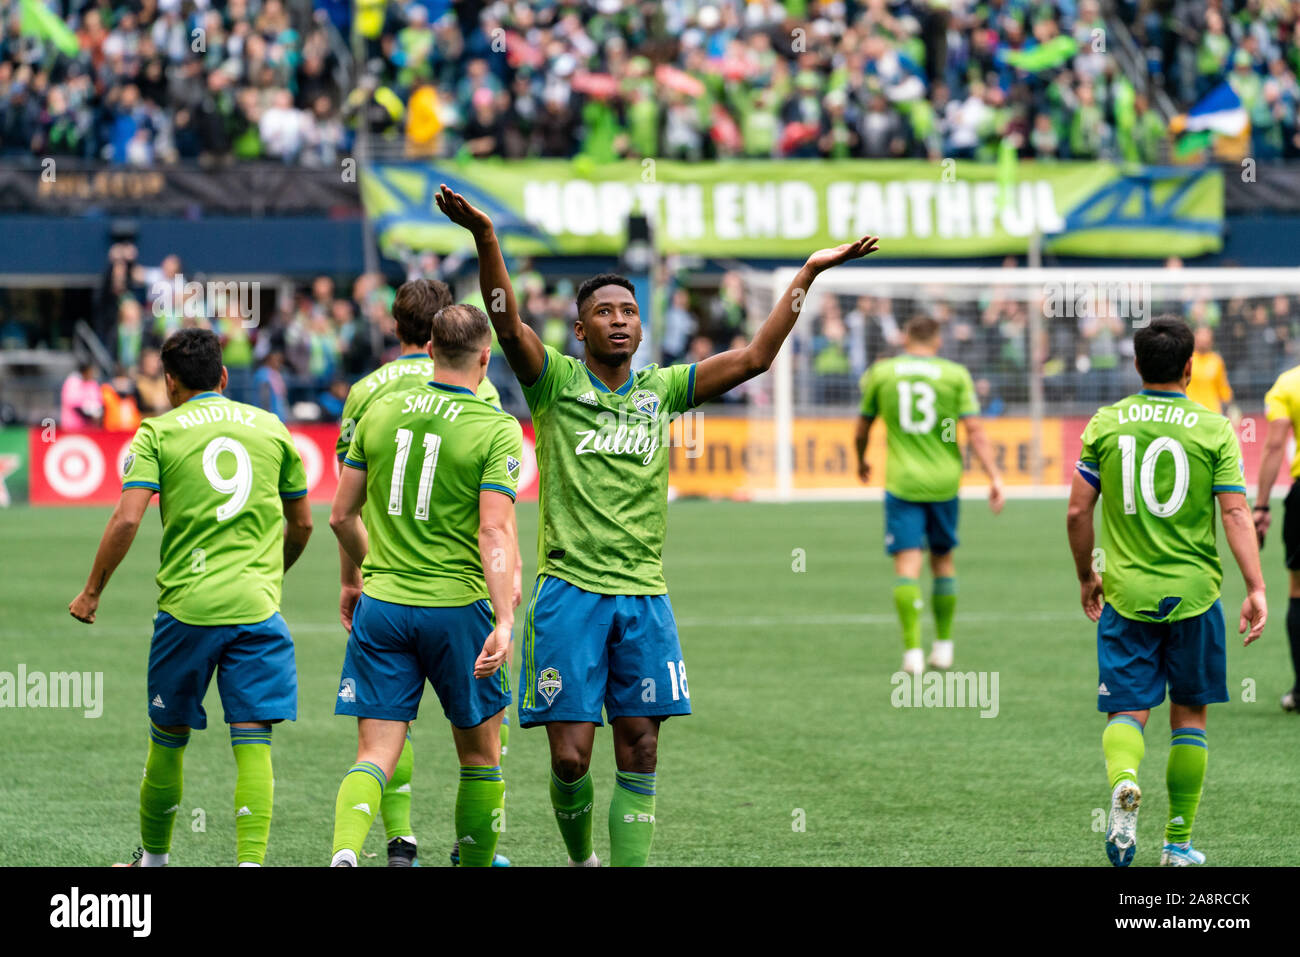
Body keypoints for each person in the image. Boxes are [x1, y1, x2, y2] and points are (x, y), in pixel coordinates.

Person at [437, 181, 879, 866]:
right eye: (604, 313)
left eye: (629, 311)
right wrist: (486, 237)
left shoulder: (662, 391)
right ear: (580, 330)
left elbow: (757, 356)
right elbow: (505, 323)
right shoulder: (553, 382)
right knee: (571, 757)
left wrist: (808, 275)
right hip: (569, 595)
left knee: (640, 744)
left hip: (644, 595)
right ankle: (582, 855)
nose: (619, 320)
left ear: (641, 327)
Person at [69, 328, 313, 866]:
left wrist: (91, 592)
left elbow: (128, 516)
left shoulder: (157, 434)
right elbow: (302, 525)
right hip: (257, 609)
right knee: (253, 742)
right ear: (224, 377)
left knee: (167, 739)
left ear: (170, 383)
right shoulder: (271, 428)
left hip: (187, 613)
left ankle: (153, 865)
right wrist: (270, 576)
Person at [328, 303, 522, 868]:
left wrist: (380, 567)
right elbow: (493, 528)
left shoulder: (380, 411)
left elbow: (341, 516)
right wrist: (505, 619)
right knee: (481, 757)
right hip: (458, 611)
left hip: (384, 607)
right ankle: (476, 863)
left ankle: (344, 852)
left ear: (429, 350)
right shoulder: (496, 427)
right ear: (485, 359)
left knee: (374, 754)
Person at [1066, 317, 1266, 867]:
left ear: (1135, 365)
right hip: (1196, 595)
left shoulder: (1106, 424)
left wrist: (1087, 575)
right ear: (1190, 367)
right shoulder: (1215, 429)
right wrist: (1255, 586)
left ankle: (1126, 782)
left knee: (1128, 711)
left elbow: (1078, 510)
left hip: (1128, 595)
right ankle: (1177, 845)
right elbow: (1235, 512)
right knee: (1190, 717)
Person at [854, 315, 1005, 675]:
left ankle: (912, 654)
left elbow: (862, 426)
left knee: (907, 566)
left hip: (902, 483)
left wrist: (861, 459)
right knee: (943, 562)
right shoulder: (955, 375)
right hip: (944, 484)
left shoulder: (883, 373)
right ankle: (944, 647)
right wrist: (994, 475)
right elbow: (975, 431)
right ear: (938, 341)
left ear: (905, 337)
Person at [1253, 359, 1300, 711]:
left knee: (1297, 590)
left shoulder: (1287, 384)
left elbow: (1273, 446)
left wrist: (1263, 505)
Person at [1186, 326, 1233, 415]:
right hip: (1191, 413)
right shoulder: (1187, 359)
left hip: (1212, 413)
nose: (1204, 340)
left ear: (1211, 340)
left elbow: (1224, 389)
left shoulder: (1216, 361)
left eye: (1207, 337)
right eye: (1201, 337)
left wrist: (1231, 409)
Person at [60, 360, 103, 430]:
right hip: (72, 427)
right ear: (84, 372)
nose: (92, 374)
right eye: (91, 371)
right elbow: (73, 403)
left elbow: (98, 402)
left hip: (89, 427)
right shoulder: (72, 383)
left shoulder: (92, 384)